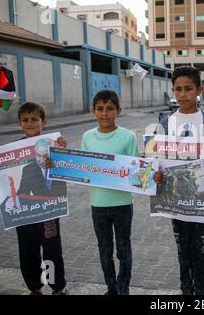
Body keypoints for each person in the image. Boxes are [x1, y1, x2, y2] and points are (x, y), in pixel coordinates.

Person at [81, 90, 162, 295]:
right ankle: (111, 288)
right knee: (104, 250)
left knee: (123, 250)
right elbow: (82, 167)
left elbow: (137, 171)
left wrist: (151, 171)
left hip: (123, 205)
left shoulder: (127, 136)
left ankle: (123, 288)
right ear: (93, 111)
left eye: (110, 109)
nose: (105, 114)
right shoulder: (87, 137)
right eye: (100, 109)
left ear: (119, 110)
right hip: (98, 204)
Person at [0, 101, 68, 295]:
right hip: (25, 212)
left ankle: (58, 287)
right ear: (20, 123)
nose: (30, 123)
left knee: (51, 250)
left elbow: (66, 170)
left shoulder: (54, 145)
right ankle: (35, 287)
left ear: (44, 121)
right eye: (25, 120)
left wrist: (62, 151)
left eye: (34, 119)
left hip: (48, 209)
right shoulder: (15, 150)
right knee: (28, 249)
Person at [156, 66, 204, 295]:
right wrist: (155, 172)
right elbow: (157, 158)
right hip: (176, 199)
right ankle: (186, 290)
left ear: (199, 90)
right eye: (178, 89)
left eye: (188, 89)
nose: (183, 94)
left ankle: (201, 291)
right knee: (183, 248)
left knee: (200, 248)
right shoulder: (164, 121)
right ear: (173, 90)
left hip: (203, 197)